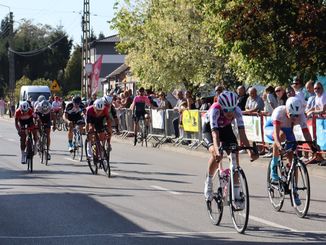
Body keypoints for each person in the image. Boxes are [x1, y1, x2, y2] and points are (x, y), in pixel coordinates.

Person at [202, 91, 259, 207]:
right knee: (215, 153)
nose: (230, 113)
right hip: (210, 129)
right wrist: (218, 151)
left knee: (235, 153)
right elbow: (215, 135)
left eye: (232, 109)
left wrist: (249, 151)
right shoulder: (215, 110)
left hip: (225, 128)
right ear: (222, 107)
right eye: (227, 110)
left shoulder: (237, 111)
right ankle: (208, 181)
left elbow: (242, 134)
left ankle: (237, 193)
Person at [265, 97, 318, 206]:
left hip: (288, 130)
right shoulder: (279, 112)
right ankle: (274, 166)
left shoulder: (301, 115)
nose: (294, 118)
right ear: (287, 110)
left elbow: (306, 134)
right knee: (280, 136)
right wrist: (279, 146)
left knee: (292, 158)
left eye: (296, 115)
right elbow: (276, 135)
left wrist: (312, 147)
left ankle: (294, 191)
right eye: (292, 115)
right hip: (272, 128)